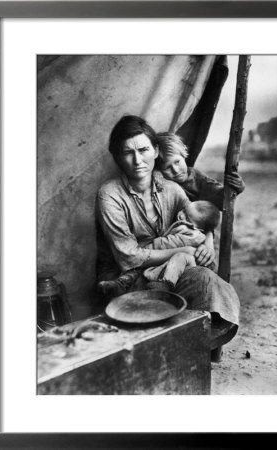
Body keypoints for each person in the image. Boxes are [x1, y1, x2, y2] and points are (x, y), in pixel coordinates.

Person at [96, 115, 240, 361]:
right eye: (127, 152)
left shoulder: (172, 189)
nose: (137, 160)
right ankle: (176, 348)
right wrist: (182, 252)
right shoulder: (110, 195)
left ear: (155, 151)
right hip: (128, 280)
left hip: (167, 275)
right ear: (117, 157)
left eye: (143, 150)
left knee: (208, 277)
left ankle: (191, 347)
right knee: (199, 275)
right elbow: (128, 257)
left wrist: (207, 243)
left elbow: (197, 219)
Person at [143, 200, 220, 290]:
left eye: (187, 218)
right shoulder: (189, 228)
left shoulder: (190, 235)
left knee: (180, 257)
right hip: (194, 264)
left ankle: (166, 284)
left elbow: (168, 243)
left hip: (192, 264)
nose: (181, 215)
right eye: (184, 210)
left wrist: (149, 247)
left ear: (199, 229)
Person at [156, 132, 245, 209]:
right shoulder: (164, 184)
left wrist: (236, 187)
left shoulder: (197, 178)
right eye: (167, 167)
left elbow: (219, 198)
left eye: (177, 162)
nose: (175, 170)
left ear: (183, 156)